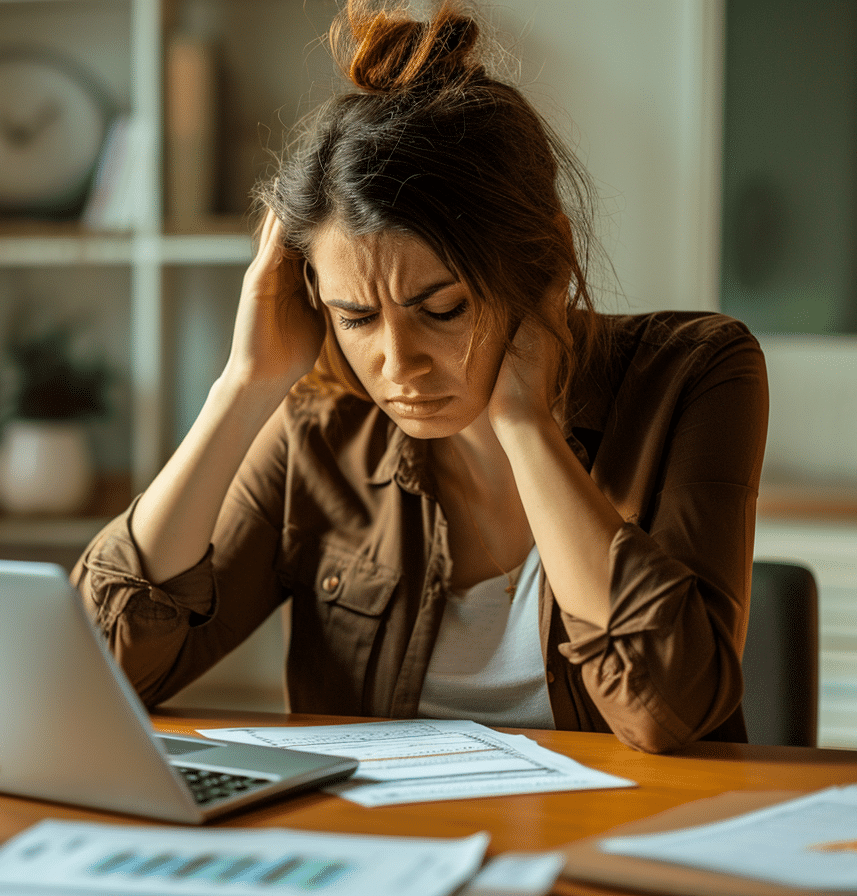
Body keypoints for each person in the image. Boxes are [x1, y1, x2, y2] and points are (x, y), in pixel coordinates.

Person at [71, 0, 768, 753]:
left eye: (441, 308)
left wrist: (527, 429)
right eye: (356, 318)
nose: (397, 365)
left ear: (546, 262)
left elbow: (668, 710)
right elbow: (92, 675)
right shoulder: (319, 428)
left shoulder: (695, 372)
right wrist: (242, 388)